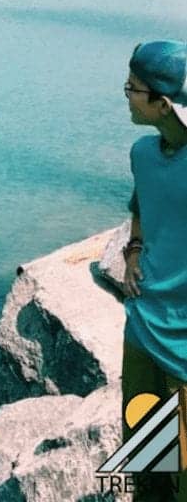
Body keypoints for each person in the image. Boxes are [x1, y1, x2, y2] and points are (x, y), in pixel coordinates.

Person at [123, 40, 187, 501]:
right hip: (143, 331)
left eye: (132, 88)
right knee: (147, 466)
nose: (125, 94)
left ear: (162, 104)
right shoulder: (142, 153)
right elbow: (142, 204)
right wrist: (133, 250)